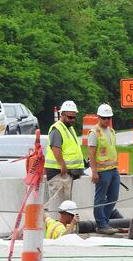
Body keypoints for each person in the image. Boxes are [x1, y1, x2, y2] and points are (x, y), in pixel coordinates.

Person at [44, 100, 84, 216]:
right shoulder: (57, 128)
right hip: (59, 173)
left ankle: (63, 229)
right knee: (59, 206)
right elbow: (55, 148)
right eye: (70, 117)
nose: (72, 120)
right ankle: (57, 228)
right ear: (62, 115)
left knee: (65, 205)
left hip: (65, 173)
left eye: (74, 117)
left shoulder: (69, 128)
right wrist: (63, 166)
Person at [87, 104, 119, 235]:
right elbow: (91, 153)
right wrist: (94, 172)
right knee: (100, 198)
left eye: (109, 118)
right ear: (99, 117)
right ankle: (101, 224)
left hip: (113, 170)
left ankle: (104, 221)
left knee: (113, 197)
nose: (107, 120)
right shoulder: (94, 132)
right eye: (104, 118)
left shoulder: (111, 131)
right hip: (101, 171)